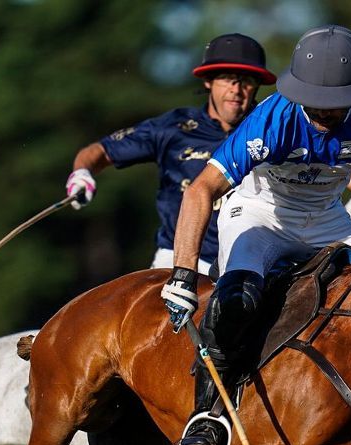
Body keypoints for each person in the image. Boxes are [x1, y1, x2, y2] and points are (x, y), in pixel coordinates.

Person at [160, 23, 351, 445]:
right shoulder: (272, 118)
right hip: (260, 215)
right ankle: (208, 418)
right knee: (237, 301)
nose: (325, 113)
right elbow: (200, 190)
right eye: (316, 102)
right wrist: (181, 274)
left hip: (328, 219)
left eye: (337, 105)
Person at [64, 33, 276, 275]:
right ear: (208, 80)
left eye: (246, 81)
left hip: (251, 260)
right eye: (227, 79)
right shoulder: (172, 128)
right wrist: (82, 173)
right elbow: (99, 151)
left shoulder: (271, 130)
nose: (236, 90)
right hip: (177, 259)